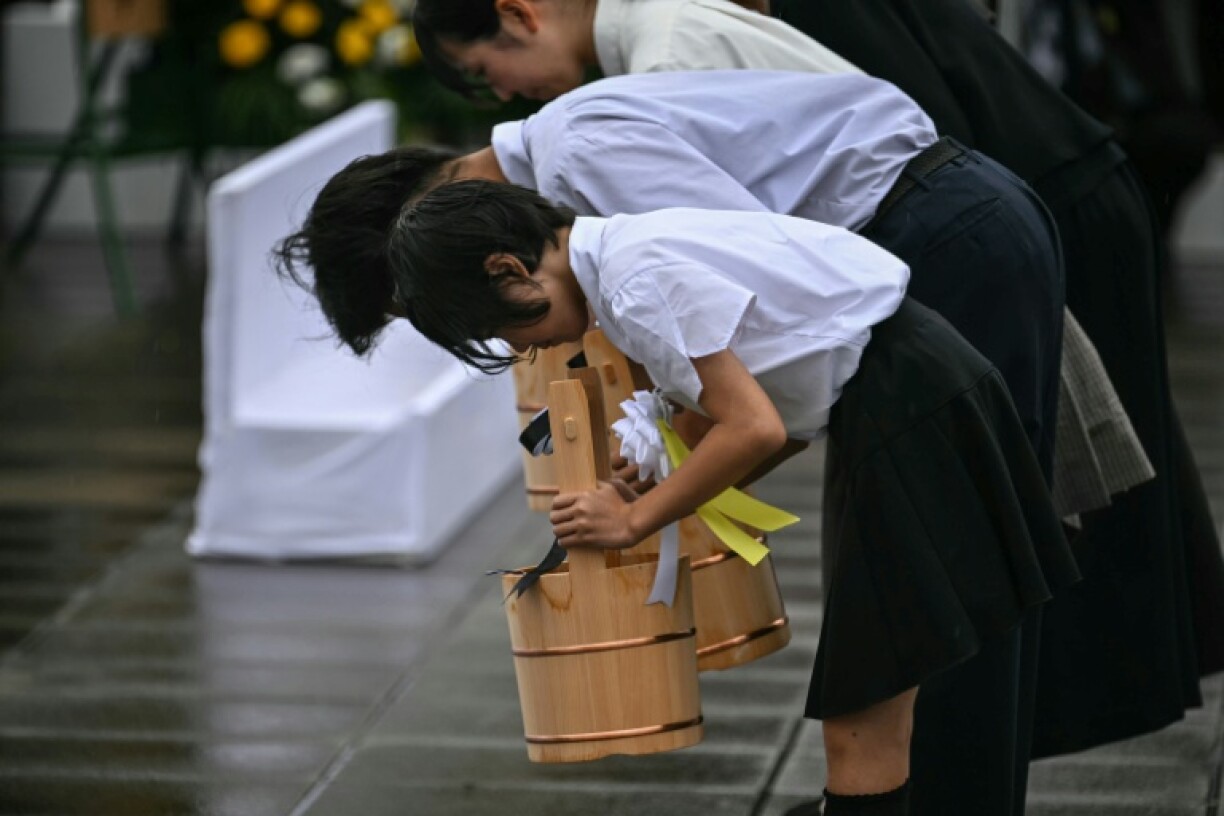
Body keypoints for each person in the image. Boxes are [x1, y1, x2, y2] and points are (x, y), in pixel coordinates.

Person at [276, 68, 1070, 816]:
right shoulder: (624, 256)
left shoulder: (630, 280)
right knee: (880, 689)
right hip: (907, 396)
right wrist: (662, 462)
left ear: (509, 267)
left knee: (863, 703)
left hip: (911, 409)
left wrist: (635, 519)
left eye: (502, 328)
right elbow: (775, 405)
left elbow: (752, 427)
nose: (525, 350)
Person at [769, 0, 1224, 766]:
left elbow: (913, 133)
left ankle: (953, 766)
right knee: (984, 513)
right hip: (1025, 198)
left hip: (1025, 207)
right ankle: (939, 765)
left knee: (995, 514)